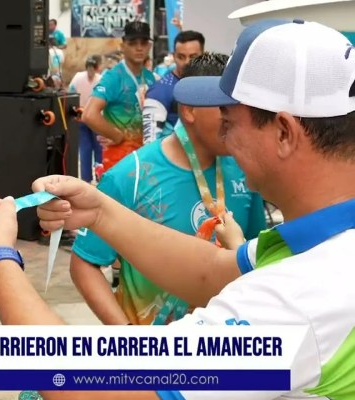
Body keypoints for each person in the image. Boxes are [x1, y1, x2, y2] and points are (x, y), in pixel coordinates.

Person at [0, 18, 355, 399]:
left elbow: (94, 389)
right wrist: (100, 211)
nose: (223, 134)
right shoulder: (322, 244)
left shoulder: (302, 295)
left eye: (230, 120)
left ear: (284, 132)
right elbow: (213, 271)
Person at [70, 52, 266, 327]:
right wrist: (127, 338)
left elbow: (259, 253)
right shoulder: (131, 176)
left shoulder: (247, 171)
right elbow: (85, 263)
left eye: (236, 108)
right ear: (189, 110)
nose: (232, 119)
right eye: (222, 109)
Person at [84, 21, 156, 173]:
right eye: (133, 43)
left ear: (149, 46)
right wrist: (116, 136)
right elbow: (89, 115)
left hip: (145, 159)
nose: (139, 48)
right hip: (119, 161)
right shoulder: (113, 77)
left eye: (143, 43)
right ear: (123, 45)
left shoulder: (150, 78)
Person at [143, 30, 204, 142]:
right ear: (174, 56)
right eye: (181, 57)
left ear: (203, 55)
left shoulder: (209, 85)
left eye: (193, 57)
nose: (186, 62)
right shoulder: (159, 91)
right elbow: (149, 143)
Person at [68, 55, 103, 182]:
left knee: (86, 149)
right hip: (95, 118)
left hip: (82, 116)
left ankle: (87, 179)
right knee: (95, 149)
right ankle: (98, 177)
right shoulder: (101, 79)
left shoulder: (78, 77)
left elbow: (70, 93)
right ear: (98, 67)